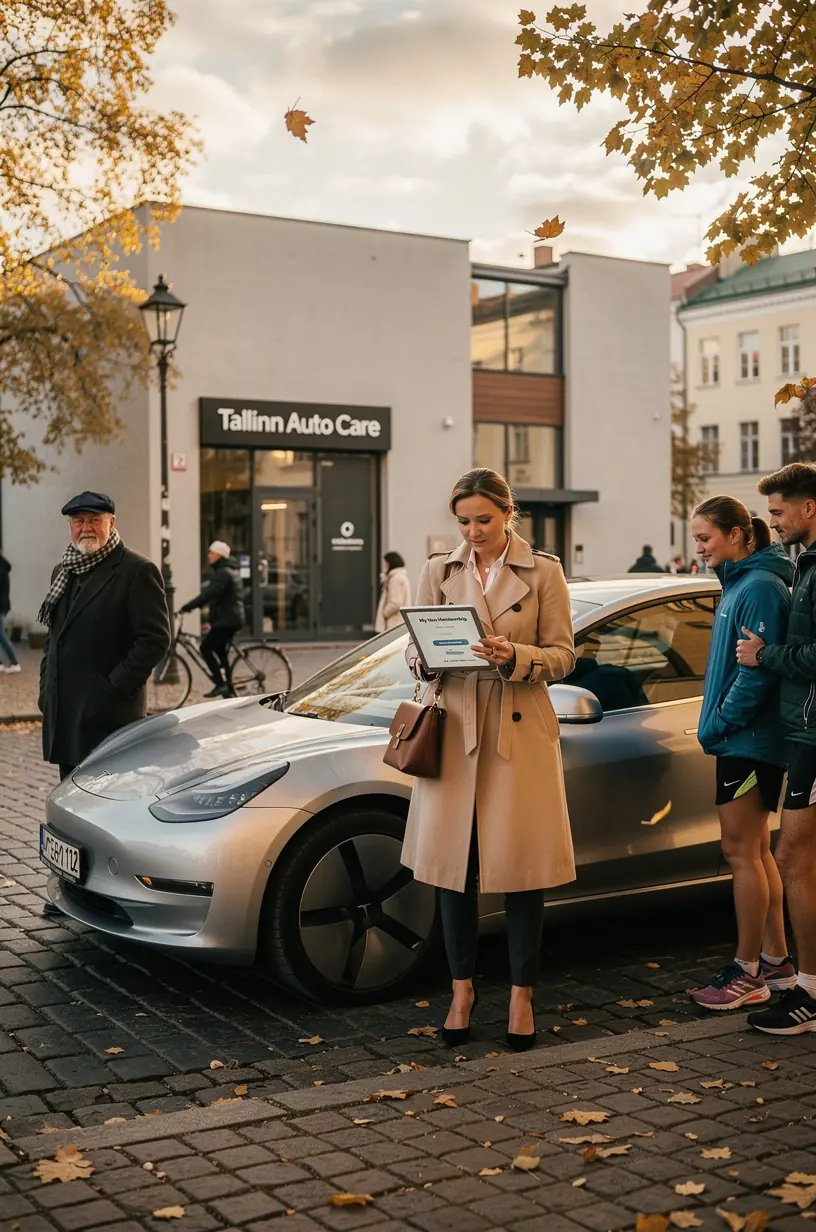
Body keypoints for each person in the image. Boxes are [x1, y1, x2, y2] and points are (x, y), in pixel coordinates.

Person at [401, 467, 576, 1051]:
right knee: (455, 869)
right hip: (454, 727)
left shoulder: (545, 571)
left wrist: (516, 655)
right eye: (463, 522)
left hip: (517, 730)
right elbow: (414, 642)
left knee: (522, 871)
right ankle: (462, 991)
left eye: (483, 520)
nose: (472, 532)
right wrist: (422, 659)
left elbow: (564, 655)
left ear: (508, 515)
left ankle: (523, 995)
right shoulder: (436, 570)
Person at [688, 495, 794, 1011]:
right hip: (742, 742)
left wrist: (719, 724)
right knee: (754, 852)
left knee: (740, 853)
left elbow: (757, 676)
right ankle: (775, 961)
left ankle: (747, 971)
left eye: (706, 538)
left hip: (747, 744)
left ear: (736, 534)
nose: (700, 548)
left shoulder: (756, 587)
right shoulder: (741, 583)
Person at [736, 462, 816, 1033]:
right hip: (804, 730)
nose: (774, 522)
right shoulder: (805, 563)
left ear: (808, 507)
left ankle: (808, 992)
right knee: (798, 859)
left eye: (779, 511)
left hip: (815, 732)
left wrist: (765, 656)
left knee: (791, 858)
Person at [38, 491, 170, 782]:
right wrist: (46, 692)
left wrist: (112, 688)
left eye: (95, 520)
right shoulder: (63, 570)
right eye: (78, 520)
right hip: (67, 717)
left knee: (107, 807)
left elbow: (155, 639)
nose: (86, 527)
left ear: (111, 522)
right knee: (71, 803)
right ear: (70, 526)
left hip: (109, 719)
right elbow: (54, 637)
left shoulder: (136, 570)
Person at [180, 541, 245, 698]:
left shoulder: (223, 573)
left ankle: (220, 684)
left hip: (227, 620)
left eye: (211, 553)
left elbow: (209, 594)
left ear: (219, 555)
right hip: (230, 619)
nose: (208, 555)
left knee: (206, 648)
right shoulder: (228, 570)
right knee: (220, 651)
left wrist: (188, 606)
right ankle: (228, 689)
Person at [374, 551, 412, 633]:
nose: (384, 565)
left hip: (393, 624)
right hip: (399, 622)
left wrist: (384, 613)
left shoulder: (395, 579)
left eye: (385, 562)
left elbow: (396, 602)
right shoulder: (400, 577)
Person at [0, 551, 21, 674]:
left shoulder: (1, 568)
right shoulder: (3, 567)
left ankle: (14, 662)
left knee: (1, 635)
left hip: (0, 606)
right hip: (3, 605)